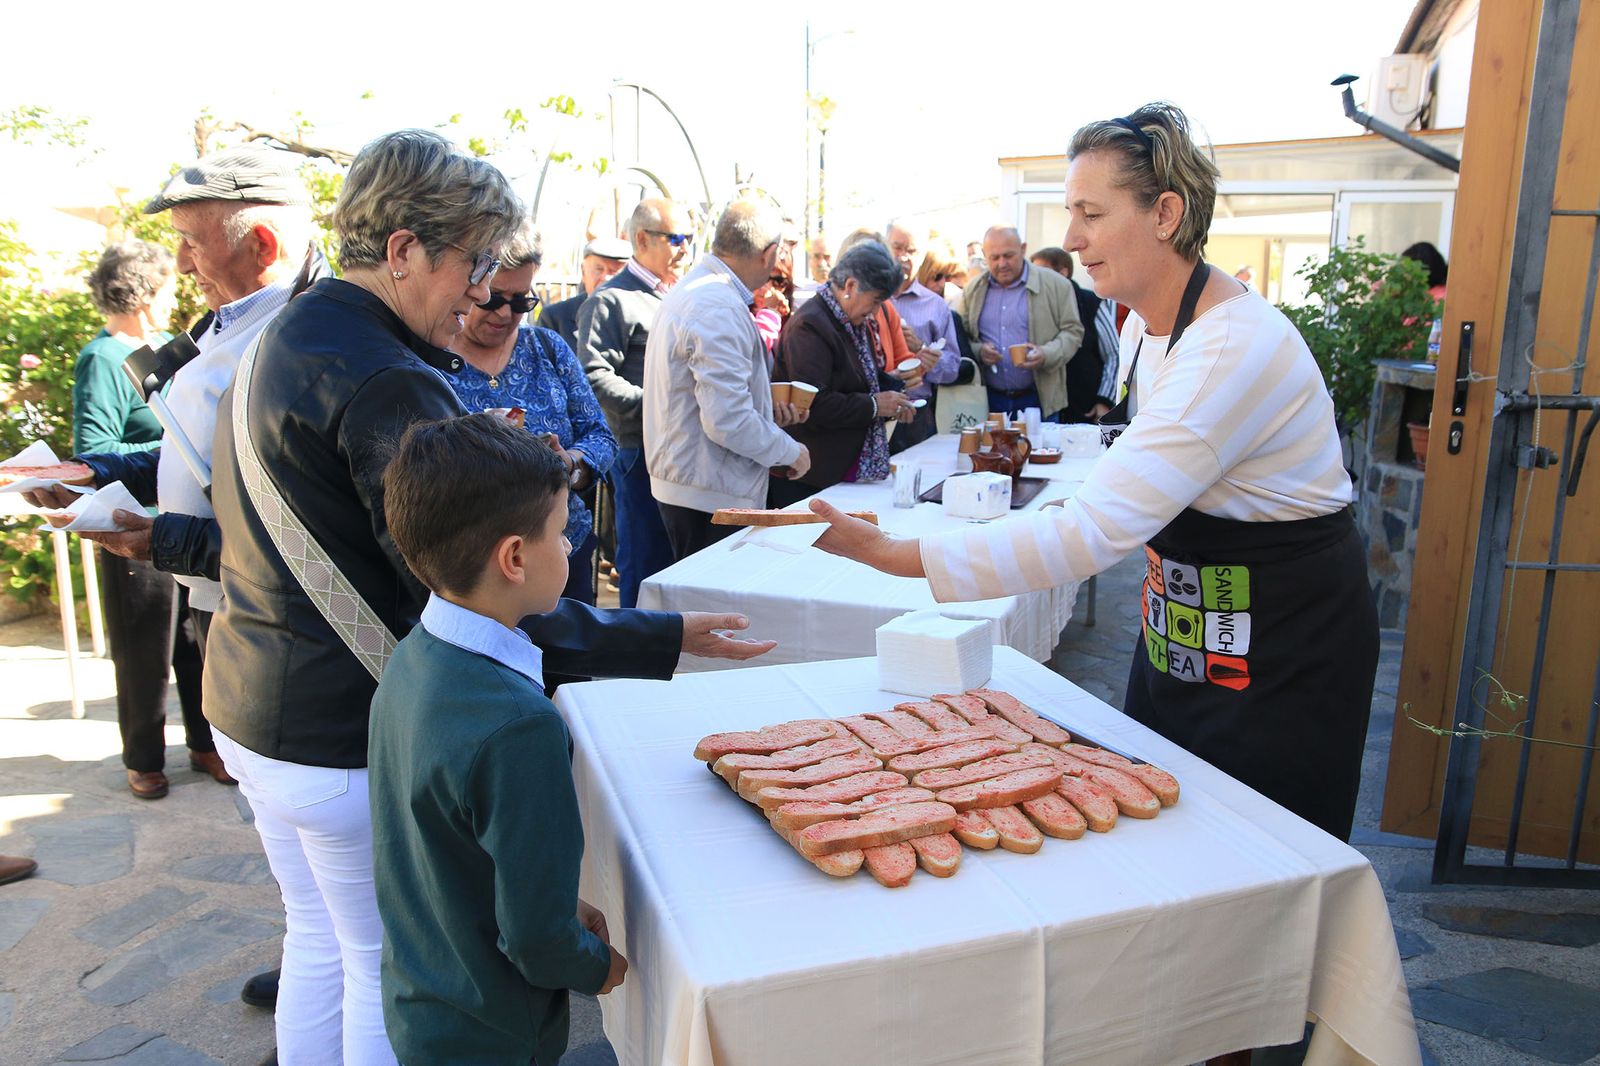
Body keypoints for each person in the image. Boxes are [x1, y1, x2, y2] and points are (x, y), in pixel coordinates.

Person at [203, 130, 771, 1063]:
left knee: (322, 943)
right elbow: (473, 587)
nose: (478, 291)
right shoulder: (388, 378)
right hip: (337, 720)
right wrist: (655, 639)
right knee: (383, 964)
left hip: (253, 698)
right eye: (471, 263)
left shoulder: (287, 331)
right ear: (403, 251)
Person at [812, 102, 1378, 849]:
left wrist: (899, 556)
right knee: (1161, 823)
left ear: (1165, 213)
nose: (1072, 239)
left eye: (1091, 213)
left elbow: (1091, 532)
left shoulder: (1230, 346)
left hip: (1279, 644)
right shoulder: (1146, 319)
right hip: (1190, 623)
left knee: (1256, 853)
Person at [370, 413, 626, 1066]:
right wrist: (597, 966)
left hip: (425, 1001)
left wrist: (553, 901)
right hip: (500, 1033)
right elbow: (538, 943)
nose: (570, 547)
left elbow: (450, 837)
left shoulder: (414, 656)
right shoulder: (520, 724)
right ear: (514, 558)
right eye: (561, 531)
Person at [73, 241, 214, 798]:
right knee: (143, 648)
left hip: (178, 523)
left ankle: (204, 746)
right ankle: (145, 758)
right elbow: (94, 444)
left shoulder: (155, 350)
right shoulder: (103, 358)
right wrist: (171, 447)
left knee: (188, 640)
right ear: (145, 293)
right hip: (137, 521)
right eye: (168, 285)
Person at [449, 223, 616, 606]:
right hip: (472, 571)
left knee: (568, 663)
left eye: (522, 301)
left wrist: (571, 464)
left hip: (563, 555)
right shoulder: (434, 356)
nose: (506, 314)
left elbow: (600, 434)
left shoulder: (547, 347)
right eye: (493, 299)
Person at [644, 200, 811, 559]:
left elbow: (710, 399)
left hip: (699, 484)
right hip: (710, 494)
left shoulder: (703, 291)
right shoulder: (716, 303)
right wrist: (790, 451)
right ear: (768, 254)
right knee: (718, 612)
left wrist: (766, 409)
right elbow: (727, 421)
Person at [577, 198, 688, 607]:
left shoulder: (672, 294)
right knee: (645, 563)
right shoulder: (612, 300)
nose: (685, 249)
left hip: (676, 448)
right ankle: (637, 659)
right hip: (639, 452)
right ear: (642, 239)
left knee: (674, 563)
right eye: (676, 238)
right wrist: (657, 408)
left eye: (690, 239)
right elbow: (594, 375)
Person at [770, 240, 915, 507]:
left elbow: (860, 380)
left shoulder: (849, 321)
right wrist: (874, 405)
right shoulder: (810, 325)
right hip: (810, 478)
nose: (875, 313)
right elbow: (813, 405)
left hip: (837, 470)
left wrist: (894, 398)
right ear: (849, 287)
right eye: (875, 302)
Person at [962, 225, 1083, 419]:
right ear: (984, 255)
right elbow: (964, 338)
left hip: (1039, 398)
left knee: (1038, 450)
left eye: (1008, 255)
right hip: (989, 400)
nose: (1002, 263)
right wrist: (979, 351)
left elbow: (1073, 332)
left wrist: (1045, 354)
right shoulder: (973, 290)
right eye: (994, 258)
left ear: (1023, 249)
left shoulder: (1056, 284)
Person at [886, 220, 962, 447]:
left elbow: (952, 369)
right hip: (874, 408)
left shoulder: (936, 305)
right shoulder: (871, 298)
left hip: (916, 412)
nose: (903, 257)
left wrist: (921, 350)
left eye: (911, 251)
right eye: (897, 248)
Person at [1029, 246, 1118, 422]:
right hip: (1046, 410)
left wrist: (1104, 400)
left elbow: (1114, 354)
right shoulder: (1033, 303)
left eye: (1043, 272)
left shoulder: (1091, 302)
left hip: (1086, 411)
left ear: (1063, 273)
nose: (1038, 279)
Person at [539, 236, 631, 353]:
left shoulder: (640, 316)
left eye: (614, 272)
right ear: (583, 271)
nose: (606, 278)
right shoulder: (555, 317)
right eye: (599, 269)